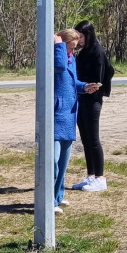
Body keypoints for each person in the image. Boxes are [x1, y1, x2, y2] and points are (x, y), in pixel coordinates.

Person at [53, 28, 103, 213]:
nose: (72, 52)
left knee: (63, 162)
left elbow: (71, 82)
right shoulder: (55, 57)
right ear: (61, 44)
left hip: (69, 115)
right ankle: (49, 201)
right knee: (53, 162)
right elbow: (58, 67)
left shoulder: (70, 58)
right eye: (70, 47)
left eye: (74, 48)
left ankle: (58, 196)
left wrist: (84, 86)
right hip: (56, 114)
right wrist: (57, 45)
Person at [73, 20, 108, 192]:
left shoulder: (97, 52)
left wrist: (92, 89)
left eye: (80, 36)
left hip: (93, 100)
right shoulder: (82, 53)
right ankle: (91, 176)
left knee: (93, 139)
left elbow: (100, 78)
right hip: (82, 99)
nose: (78, 40)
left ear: (88, 35)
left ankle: (100, 178)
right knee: (85, 139)